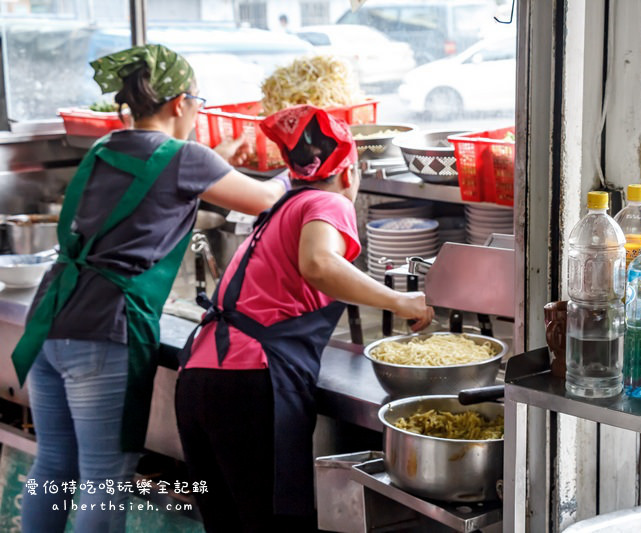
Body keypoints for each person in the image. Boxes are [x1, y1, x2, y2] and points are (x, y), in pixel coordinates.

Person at [11, 44, 287, 533]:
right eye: (199, 103)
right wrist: (306, 171)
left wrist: (217, 160)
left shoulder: (104, 147)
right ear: (180, 103)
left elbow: (165, 191)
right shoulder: (185, 158)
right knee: (104, 480)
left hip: (49, 319)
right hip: (103, 330)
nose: (199, 113)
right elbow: (266, 197)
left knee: (53, 467)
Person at [175, 105, 434, 531]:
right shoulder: (326, 201)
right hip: (250, 385)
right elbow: (319, 264)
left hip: (199, 378)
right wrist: (401, 302)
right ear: (349, 173)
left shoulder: (280, 208)